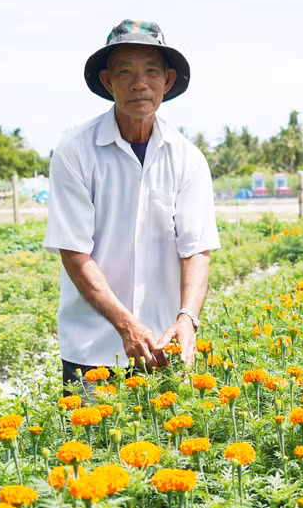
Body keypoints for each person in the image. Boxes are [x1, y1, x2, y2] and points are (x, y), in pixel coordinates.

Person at [43, 20, 220, 393]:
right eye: (125, 72)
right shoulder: (76, 152)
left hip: (162, 345)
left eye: (151, 72)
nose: (139, 83)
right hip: (92, 349)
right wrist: (125, 324)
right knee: (91, 448)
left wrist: (187, 319)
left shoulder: (187, 158)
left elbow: (196, 250)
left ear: (168, 82)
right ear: (108, 82)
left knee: (165, 447)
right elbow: (74, 253)